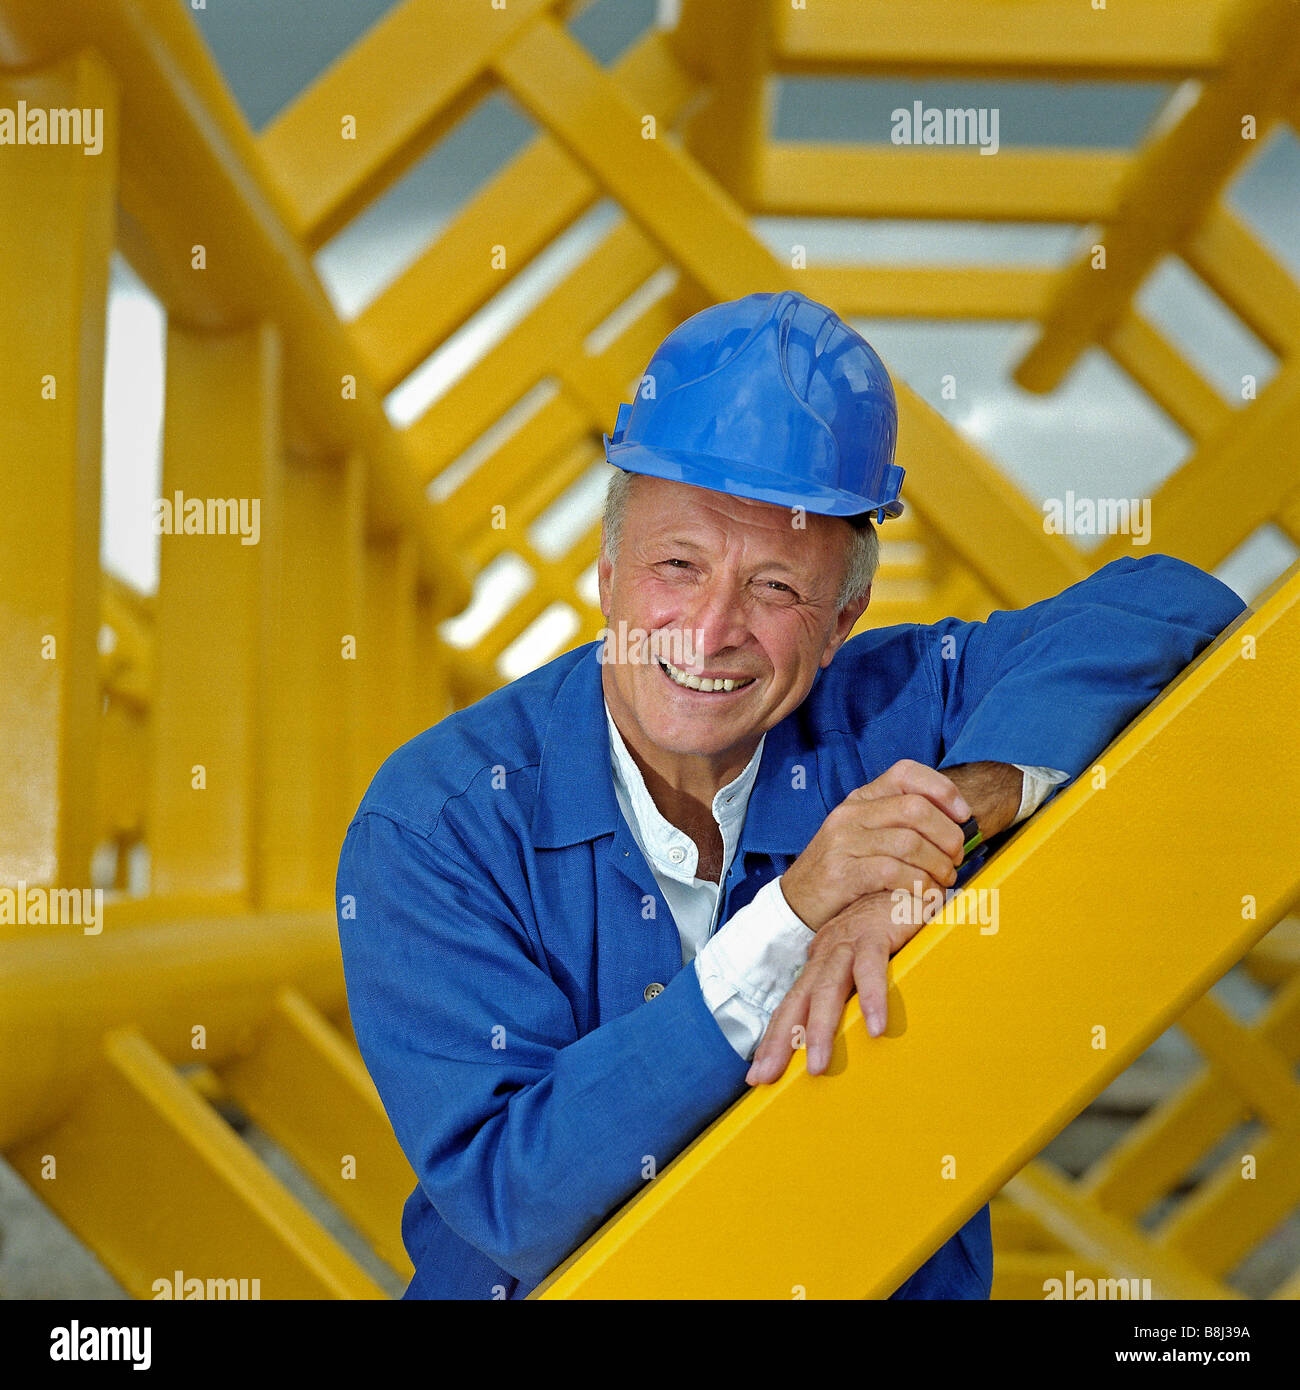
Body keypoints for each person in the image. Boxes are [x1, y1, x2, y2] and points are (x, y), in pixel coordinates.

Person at [336, 291, 1244, 1299]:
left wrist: (949, 810)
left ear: (844, 614)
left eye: (774, 587)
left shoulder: (903, 709)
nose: (712, 628)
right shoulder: (439, 822)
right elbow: (515, 1197)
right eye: (676, 566)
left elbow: (1170, 605)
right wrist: (798, 911)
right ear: (605, 573)